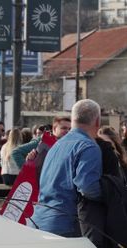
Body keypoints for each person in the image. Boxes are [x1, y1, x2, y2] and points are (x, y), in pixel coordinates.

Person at [30, 99, 102, 237]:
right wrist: (112, 194)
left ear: (73, 119)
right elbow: (88, 187)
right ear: (97, 121)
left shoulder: (56, 146)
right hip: (66, 223)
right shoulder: (88, 146)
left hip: (40, 219)